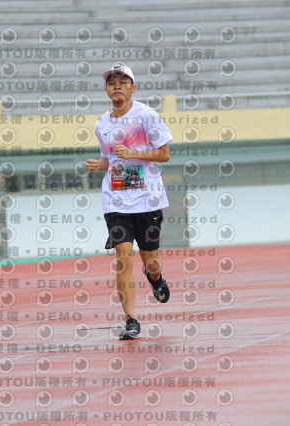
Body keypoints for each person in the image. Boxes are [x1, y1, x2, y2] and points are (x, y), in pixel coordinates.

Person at [86, 64, 172, 340]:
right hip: (116, 201)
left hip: (148, 200)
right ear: (107, 90)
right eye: (112, 83)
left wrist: (134, 153)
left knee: (151, 261)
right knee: (123, 258)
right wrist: (98, 165)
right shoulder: (102, 124)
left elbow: (165, 154)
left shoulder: (147, 116)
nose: (117, 87)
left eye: (123, 83)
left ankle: (155, 278)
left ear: (133, 88)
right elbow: (110, 159)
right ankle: (131, 320)